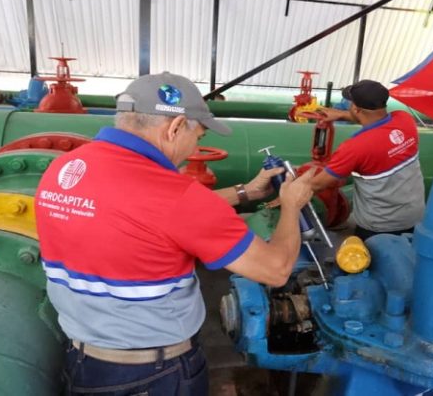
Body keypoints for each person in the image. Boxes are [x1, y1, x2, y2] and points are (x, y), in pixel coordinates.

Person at [34, 72, 313, 395]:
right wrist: (292, 206)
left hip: (82, 361)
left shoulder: (65, 169)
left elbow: (146, 215)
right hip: (155, 375)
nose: (197, 146)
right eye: (199, 136)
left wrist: (245, 192)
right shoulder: (176, 197)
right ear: (175, 127)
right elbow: (275, 269)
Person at [309, 80, 425, 240]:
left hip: (379, 227)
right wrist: (342, 114)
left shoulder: (355, 147)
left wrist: (288, 195)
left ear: (356, 108)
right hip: (415, 216)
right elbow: (374, 119)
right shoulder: (405, 120)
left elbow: (317, 184)